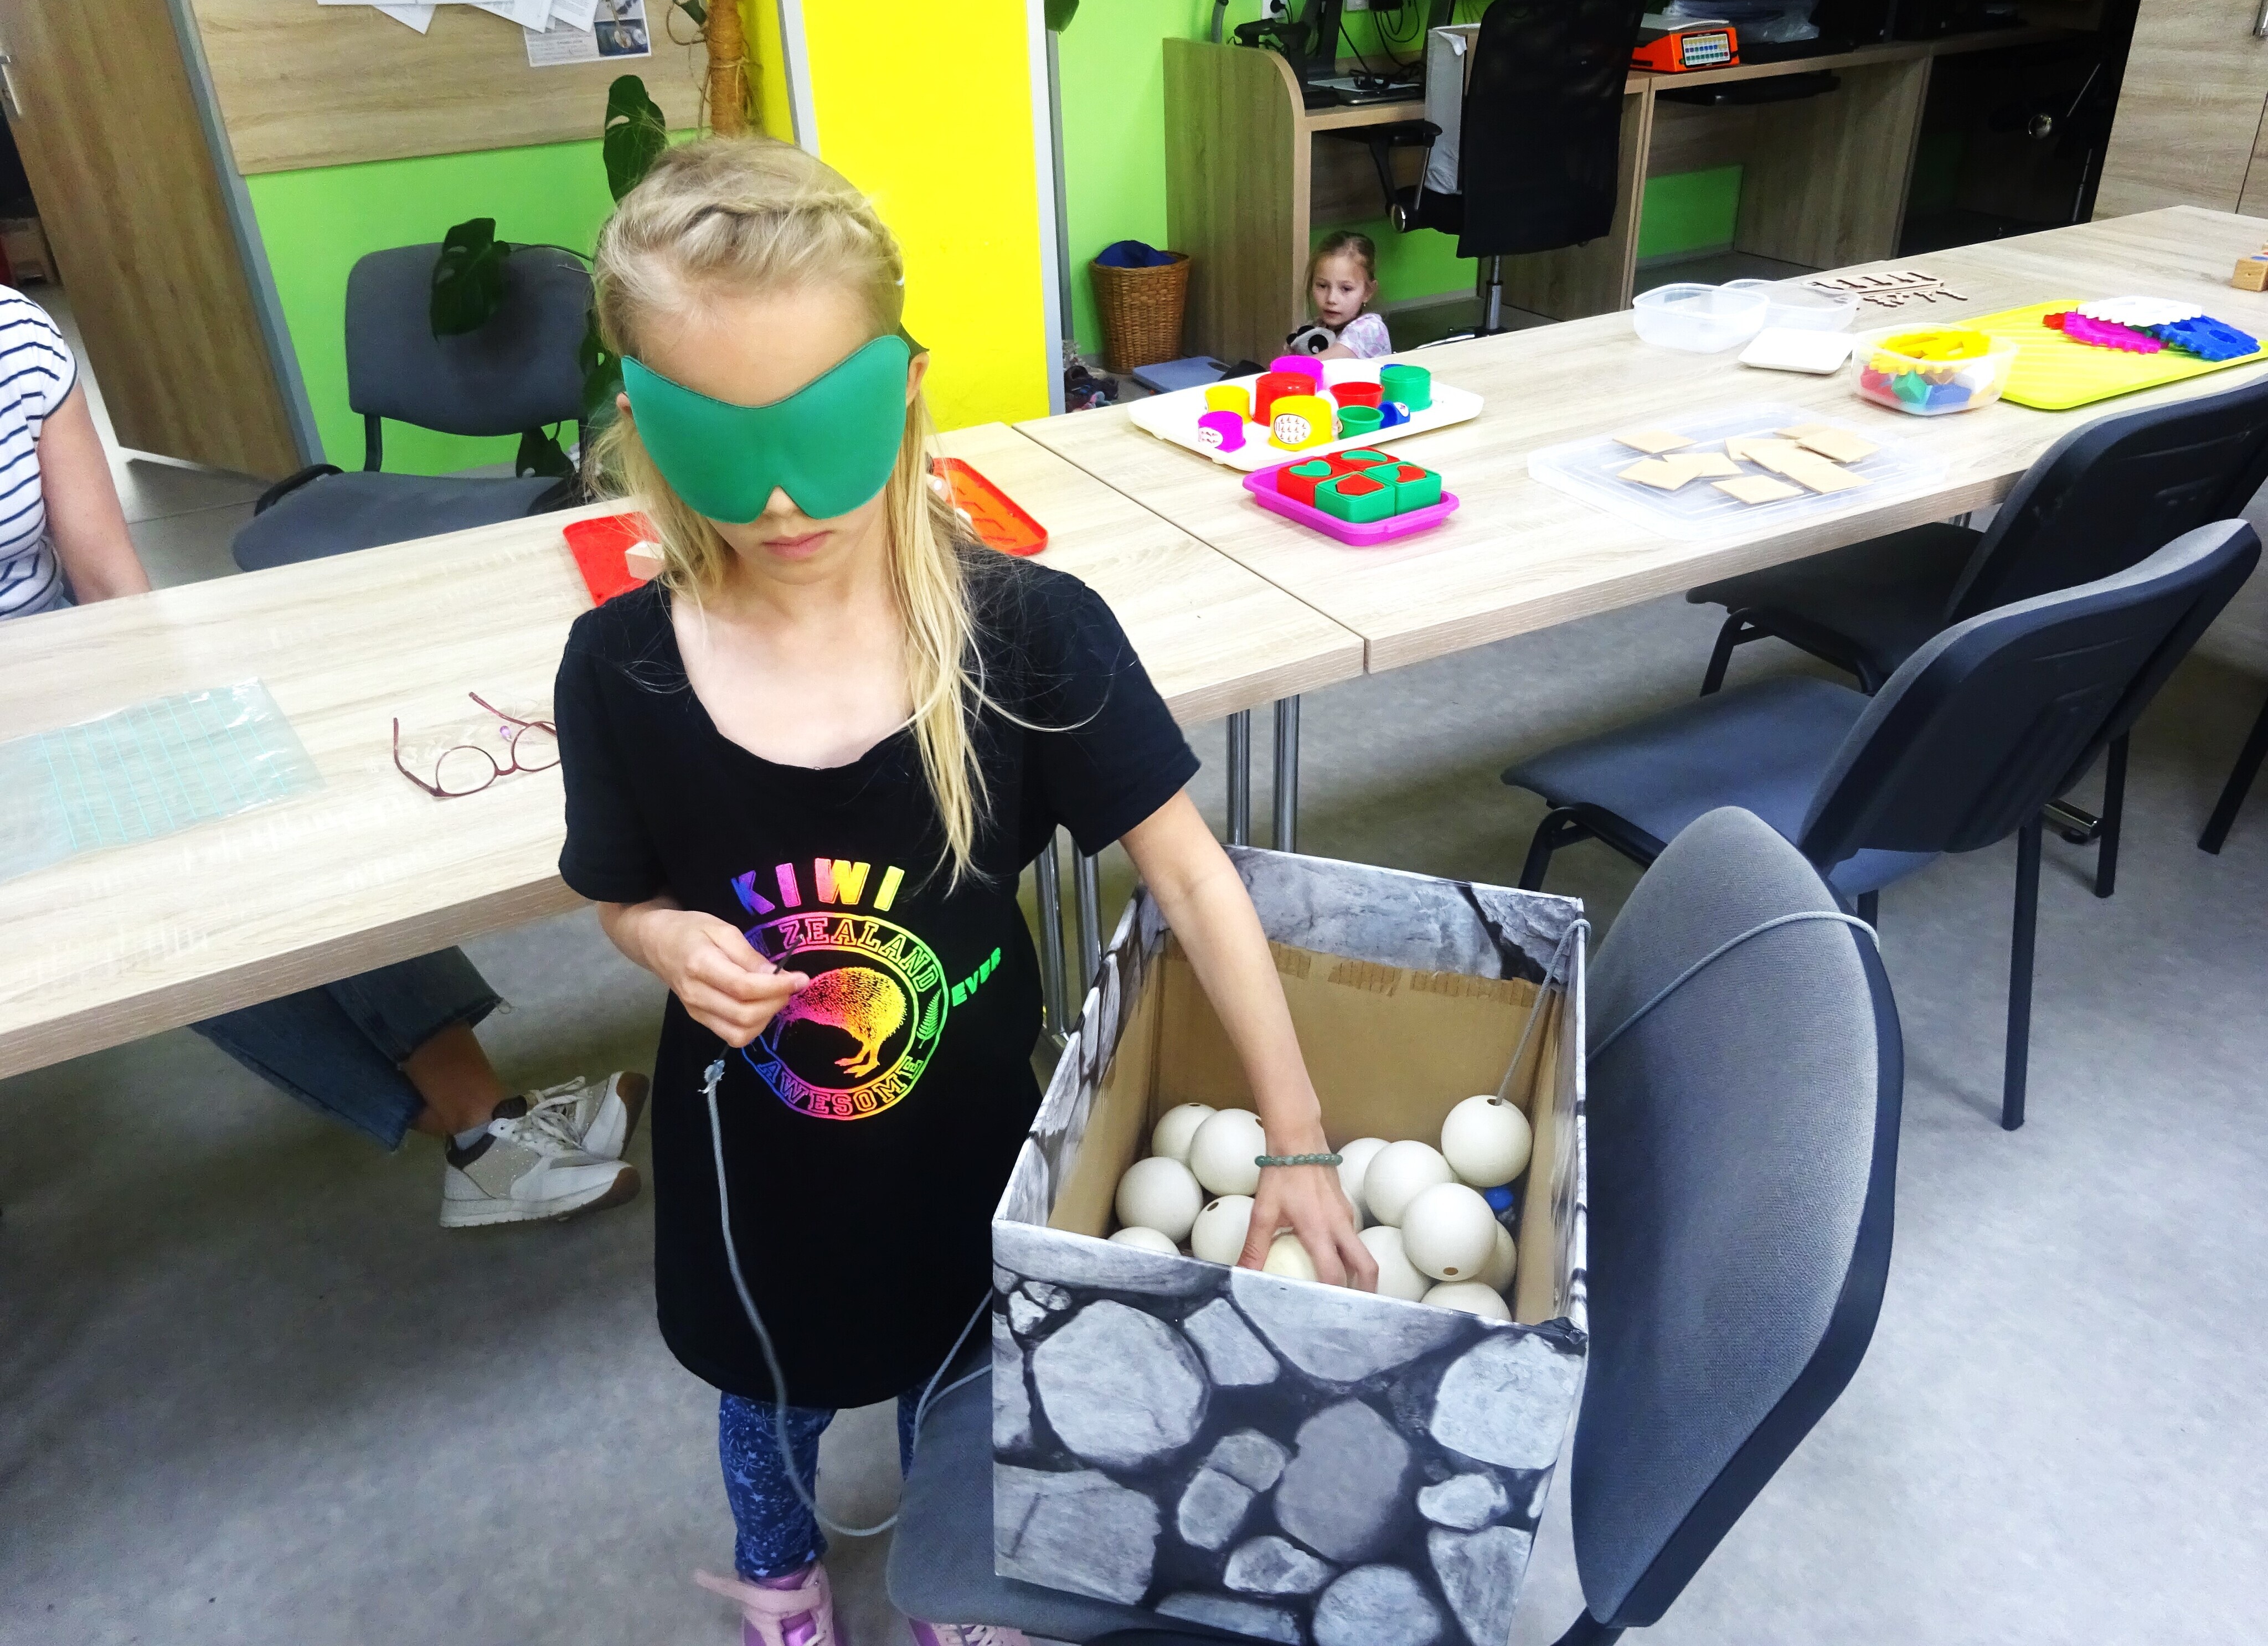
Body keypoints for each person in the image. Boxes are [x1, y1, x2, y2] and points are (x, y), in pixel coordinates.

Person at [554, 137, 1377, 1646]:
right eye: (724, 446)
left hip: (968, 1154)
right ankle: (781, 1577)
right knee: (767, 1405)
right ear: (644, 426)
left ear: (906, 389)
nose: (781, 496)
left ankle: (951, 1577)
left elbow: (1193, 878)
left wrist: (1297, 1138)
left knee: (963, 1381)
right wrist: (662, 938)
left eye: (825, 427)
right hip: (754, 1179)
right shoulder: (618, 667)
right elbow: (622, 895)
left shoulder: (1027, 634)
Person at [0, 282, 643, 1227]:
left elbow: (106, 578)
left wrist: (172, 736)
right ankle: (476, 1129)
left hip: (69, 671)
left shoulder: (16, 334)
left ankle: (486, 1126)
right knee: (169, 915)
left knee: (269, 838)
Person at [1291, 229, 1393, 361]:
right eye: (1322, 286)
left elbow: (1319, 364)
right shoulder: (1313, 328)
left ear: (1368, 292)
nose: (1331, 299)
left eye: (1346, 289)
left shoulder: (1371, 329)